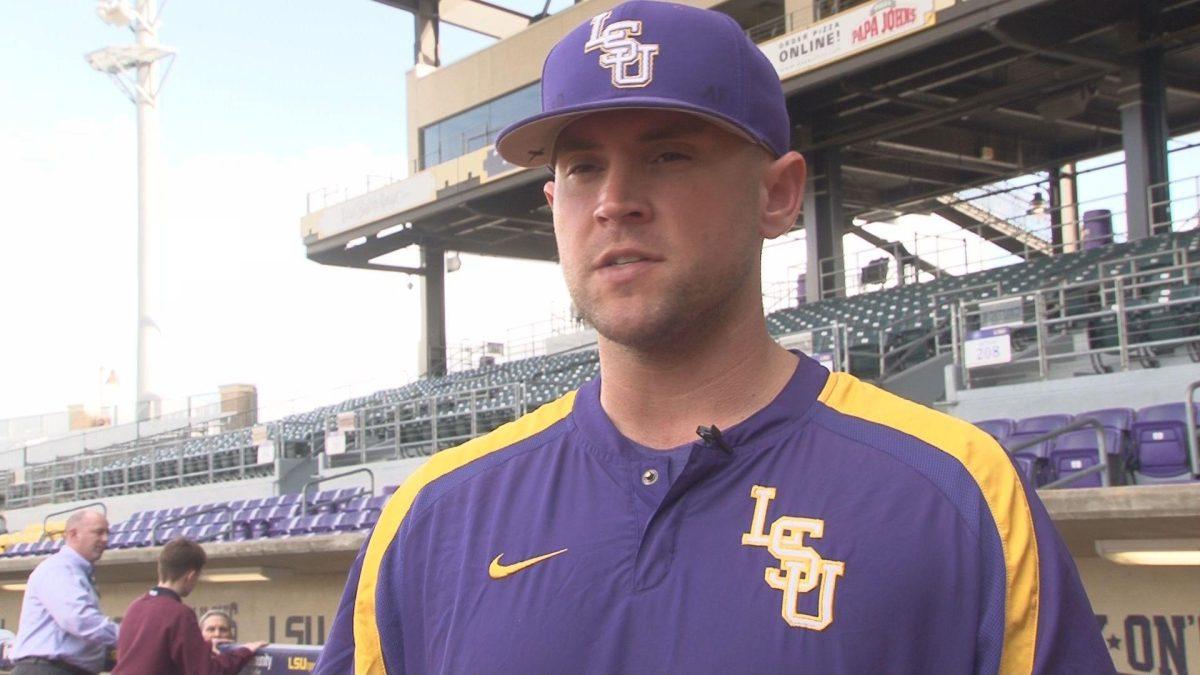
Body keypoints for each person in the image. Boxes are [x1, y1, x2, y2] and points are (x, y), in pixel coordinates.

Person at [316, 2, 1116, 673]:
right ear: (554, 201)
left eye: (668, 153)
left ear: (777, 194)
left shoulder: (956, 493)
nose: (614, 201)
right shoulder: (432, 518)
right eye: (584, 168)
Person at [111, 538, 266, 674]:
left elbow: (156, 653)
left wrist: (205, 646)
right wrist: (244, 652)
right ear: (190, 576)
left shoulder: (135, 607)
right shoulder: (179, 614)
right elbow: (207, 672)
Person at [11, 510, 118, 675]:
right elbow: (78, 619)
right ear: (73, 534)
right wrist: (129, 634)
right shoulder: (59, 568)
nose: (105, 539)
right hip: (47, 669)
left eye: (107, 533)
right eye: (98, 532)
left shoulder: (76, 572)